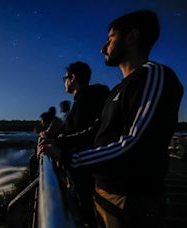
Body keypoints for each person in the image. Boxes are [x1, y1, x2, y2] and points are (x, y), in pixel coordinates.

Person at [39, 10, 184, 228]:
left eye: (110, 39)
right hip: (104, 191)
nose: (102, 48)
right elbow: (96, 130)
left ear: (131, 37)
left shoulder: (154, 75)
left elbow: (135, 143)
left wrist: (69, 157)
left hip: (132, 199)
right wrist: (58, 142)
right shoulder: (118, 88)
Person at [50, 61, 110, 227]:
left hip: (85, 172)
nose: (64, 82)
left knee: (86, 216)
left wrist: (56, 141)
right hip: (83, 168)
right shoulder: (83, 101)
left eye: (65, 78)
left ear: (73, 78)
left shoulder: (85, 101)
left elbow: (85, 134)